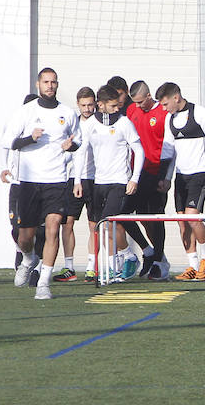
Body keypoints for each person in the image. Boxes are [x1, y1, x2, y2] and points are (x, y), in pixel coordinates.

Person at [0, 68, 81, 300]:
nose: (50, 86)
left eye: (54, 82)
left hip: (56, 180)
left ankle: (44, 282)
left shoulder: (67, 113)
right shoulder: (26, 112)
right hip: (28, 182)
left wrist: (71, 146)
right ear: (38, 84)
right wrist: (29, 139)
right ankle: (28, 259)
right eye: (46, 82)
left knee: (53, 228)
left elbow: (78, 141)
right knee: (25, 237)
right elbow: (7, 141)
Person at [74, 85, 145, 281]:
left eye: (117, 105)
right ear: (101, 105)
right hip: (99, 182)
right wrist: (78, 180)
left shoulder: (124, 123)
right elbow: (81, 152)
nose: (116, 109)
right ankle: (120, 263)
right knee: (100, 226)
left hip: (119, 182)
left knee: (107, 224)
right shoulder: (90, 125)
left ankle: (126, 258)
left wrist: (134, 178)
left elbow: (139, 150)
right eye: (112, 105)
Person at [157, 82, 205, 281]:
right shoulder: (170, 119)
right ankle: (193, 265)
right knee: (182, 222)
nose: (163, 108)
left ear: (176, 97)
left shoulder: (200, 113)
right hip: (181, 175)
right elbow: (168, 151)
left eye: (165, 103)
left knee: (193, 217)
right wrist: (165, 178)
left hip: (200, 173)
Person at [127, 80, 172, 280]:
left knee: (156, 217)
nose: (137, 106)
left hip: (156, 173)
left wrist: (165, 176)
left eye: (140, 102)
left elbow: (170, 148)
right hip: (136, 174)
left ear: (148, 97)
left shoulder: (163, 114)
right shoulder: (131, 111)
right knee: (123, 213)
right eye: (133, 102)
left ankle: (159, 261)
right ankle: (148, 251)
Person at [54, 87, 97, 282]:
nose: (87, 109)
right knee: (67, 222)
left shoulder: (99, 123)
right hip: (73, 179)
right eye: (83, 105)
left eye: (90, 104)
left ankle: (91, 266)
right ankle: (69, 267)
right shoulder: (73, 124)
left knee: (93, 224)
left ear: (95, 103)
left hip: (96, 178)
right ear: (78, 105)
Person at [0, 93, 41, 277]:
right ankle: (23, 253)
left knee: (39, 228)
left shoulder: (43, 128)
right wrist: (4, 167)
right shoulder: (15, 123)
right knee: (16, 226)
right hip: (18, 183)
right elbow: (4, 144)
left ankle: (38, 266)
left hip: (39, 183)